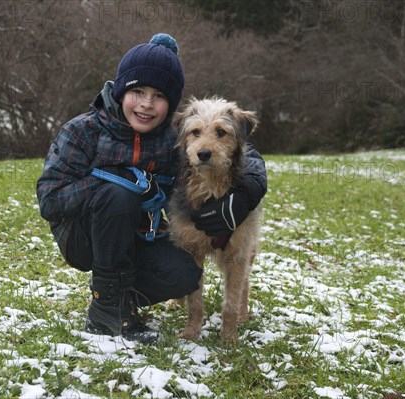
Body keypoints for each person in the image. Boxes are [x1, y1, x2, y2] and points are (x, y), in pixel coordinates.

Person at [36, 33, 267, 341]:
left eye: (158, 96)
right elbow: (49, 200)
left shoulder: (171, 137)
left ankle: (124, 296)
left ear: (170, 103)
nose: (146, 104)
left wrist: (250, 189)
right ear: (121, 91)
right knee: (117, 194)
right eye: (138, 91)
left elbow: (243, 152)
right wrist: (110, 180)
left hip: (137, 238)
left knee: (184, 273)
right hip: (83, 239)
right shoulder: (82, 131)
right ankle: (106, 310)